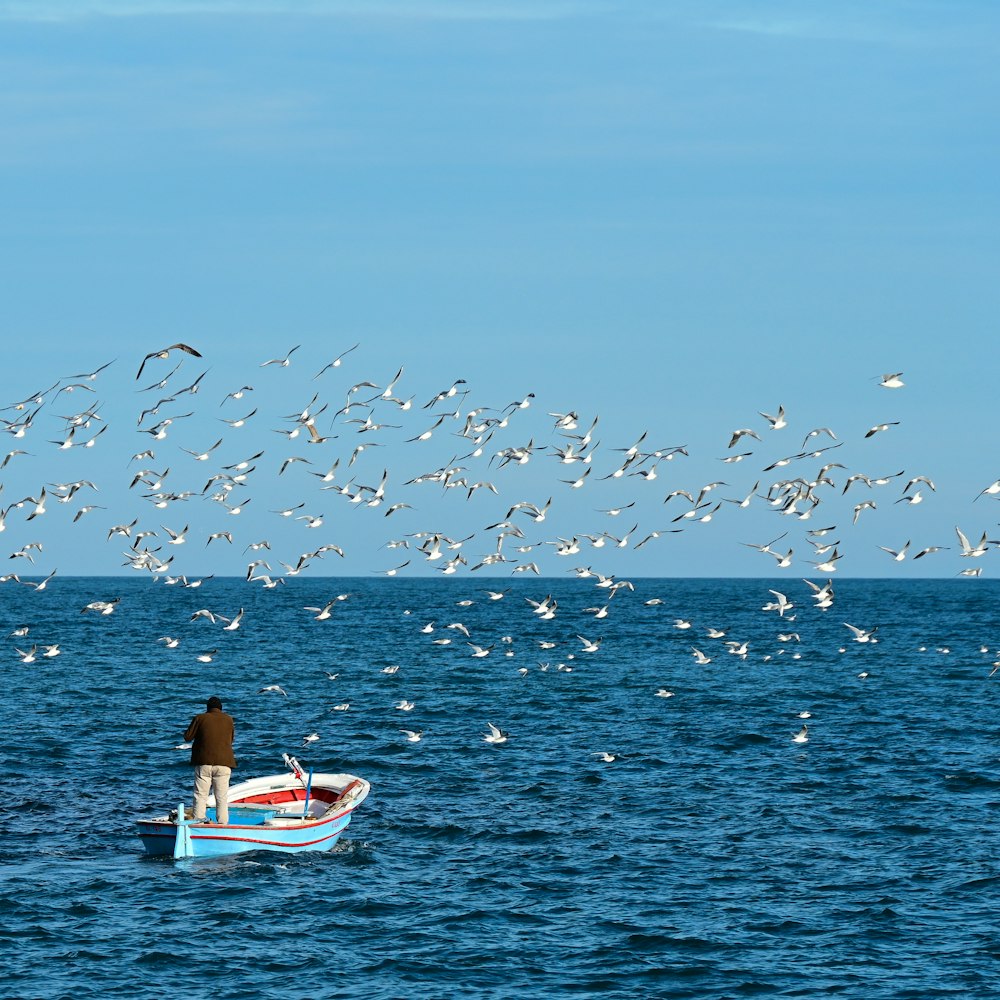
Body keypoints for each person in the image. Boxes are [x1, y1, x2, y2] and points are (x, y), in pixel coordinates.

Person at [184, 695, 237, 825]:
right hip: (224, 763)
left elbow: (187, 737)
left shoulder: (200, 718)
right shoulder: (229, 720)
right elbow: (231, 740)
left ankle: (199, 823)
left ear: (207, 708)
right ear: (221, 708)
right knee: (221, 797)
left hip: (204, 763)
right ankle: (223, 824)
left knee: (200, 796)